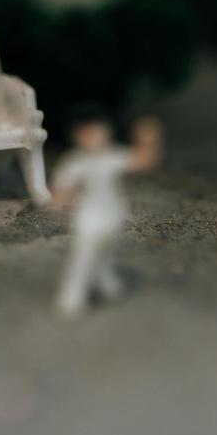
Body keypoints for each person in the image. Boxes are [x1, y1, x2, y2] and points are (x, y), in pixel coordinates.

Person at [51, 113, 162, 317]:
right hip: (89, 217)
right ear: (78, 136)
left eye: (100, 131)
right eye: (89, 134)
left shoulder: (112, 156)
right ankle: (71, 297)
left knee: (107, 249)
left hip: (112, 213)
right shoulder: (75, 161)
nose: (96, 137)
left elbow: (142, 161)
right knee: (84, 255)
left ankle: (105, 280)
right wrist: (62, 200)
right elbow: (61, 187)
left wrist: (148, 140)